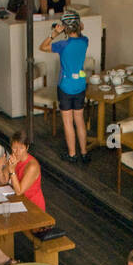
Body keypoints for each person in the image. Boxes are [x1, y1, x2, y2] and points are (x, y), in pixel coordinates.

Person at [39, 10, 90, 163]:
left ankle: (72, 154)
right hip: (80, 85)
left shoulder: (62, 44)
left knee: (68, 122)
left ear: (65, 28)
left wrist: (54, 33)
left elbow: (43, 47)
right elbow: (81, 28)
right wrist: (75, 26)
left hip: (65, 87)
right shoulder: (85, 41)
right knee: (79, 120)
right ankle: (84, 152)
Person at [0, 131, 45, 211]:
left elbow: (19, 191)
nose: (17, 152)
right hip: (19, 202)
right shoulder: (13, 158)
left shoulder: (32, 166)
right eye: (14, 148)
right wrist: (0, 167)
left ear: (27, 148)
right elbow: (3, 181)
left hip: (33, 206)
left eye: (21, 148)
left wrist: (12, 171)